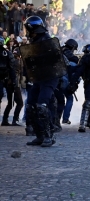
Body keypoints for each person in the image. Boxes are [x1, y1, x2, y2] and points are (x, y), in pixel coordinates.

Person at [22, 16, 64, 147]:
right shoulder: (35, 41)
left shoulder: (46, 41)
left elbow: (56, 60)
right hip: (39, 77)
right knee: (30, 106)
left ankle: (48, 135)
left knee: (42, 105)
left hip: (50, 77)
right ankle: (39, 135)